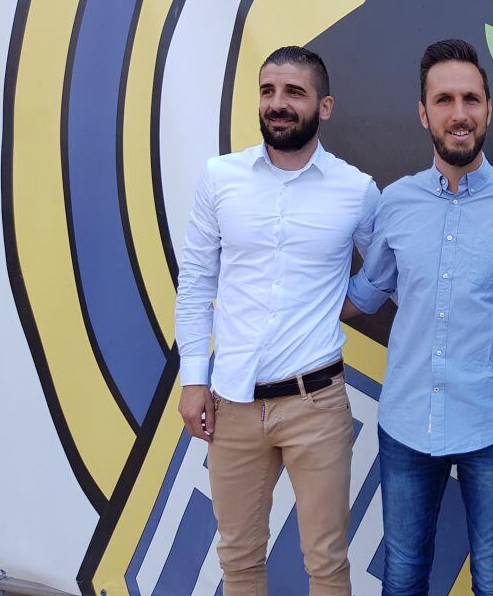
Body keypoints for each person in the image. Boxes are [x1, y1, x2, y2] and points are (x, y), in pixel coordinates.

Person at [341, 39, 493, 596]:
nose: (459, 113)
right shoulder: (395, 203)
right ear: (424, 113)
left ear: (489, 110)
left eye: (471, 99)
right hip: (406, 422)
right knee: (402, 578)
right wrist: (285, 311)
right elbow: (367, 293)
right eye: (444, 99)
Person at [175, 46, 378, 596]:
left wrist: (345, 301)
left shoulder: (356, 190)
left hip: (316, 405)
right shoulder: (221, 178)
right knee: (238, 559)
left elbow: (387, 270)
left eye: (293, 93)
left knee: (328, 563)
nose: (278, 104)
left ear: (325, 105)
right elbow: (195, 280)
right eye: (268, 91)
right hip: (231, 404)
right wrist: (194, 379)